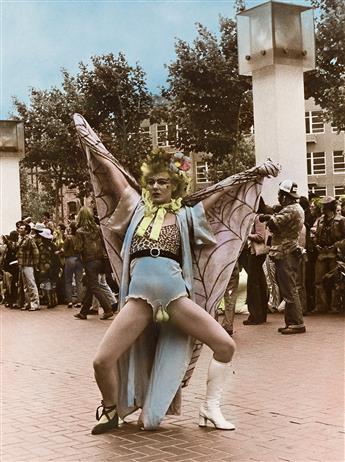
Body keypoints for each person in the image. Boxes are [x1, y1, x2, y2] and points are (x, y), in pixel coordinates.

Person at [91, 149, 237, 434]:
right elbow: (115, 175)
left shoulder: (186, 216)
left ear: (175, 186)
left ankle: (210, 407)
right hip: (139, 300)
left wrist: (250, 176)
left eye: (163, 182)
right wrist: (95, 148)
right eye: (152, 182)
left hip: (174, 299)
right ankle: (110, 410)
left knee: (225, 346)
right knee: (101, 361)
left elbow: (219, 195)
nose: (156, 187)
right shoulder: (135, 209)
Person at [259, 179, 306, 334]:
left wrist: (267, 217)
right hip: (288, 252)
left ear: (286, 196)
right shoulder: (295, 208)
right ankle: (291, 321)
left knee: (289, 289)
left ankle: (296, 323)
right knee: (289, 288)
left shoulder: (291, 210)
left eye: (280, 194)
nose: (279, 197)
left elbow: (274, 223)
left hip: (286, 252)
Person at [73, 207, 115, 320]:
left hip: (89, 261)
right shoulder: (97, 228)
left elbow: (78, 248)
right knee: (90, 284)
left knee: (94, 286)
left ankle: (108, 309)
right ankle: (83, 312)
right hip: (100, 260)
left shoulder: (79, 231)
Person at [313, 196, 345, 313]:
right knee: (318, 281)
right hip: (322, 253)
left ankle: (335, 306)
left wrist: (336, 245)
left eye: (324, 206)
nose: (322, 208)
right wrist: (316, 243)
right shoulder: (320, 220)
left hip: (334, 253)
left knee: (337, 281)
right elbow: (316, 235)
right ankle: (321, 306)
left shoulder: (341, 220)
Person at [17, 223, 40, 311]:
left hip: (28, 264)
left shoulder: (29, 239)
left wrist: (35, 264)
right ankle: (28, 303)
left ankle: (35, 303)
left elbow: (36, 252)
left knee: (31, 284)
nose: (20, 229)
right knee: (26, 286)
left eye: (22, 228)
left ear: (26, 230)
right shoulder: (22, 239)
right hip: (22, 264)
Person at [63, 221, 83, 308]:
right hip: (79, 259)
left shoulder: (68, 238)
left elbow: (63, 249)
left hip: (69, 259)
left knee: (68, 281)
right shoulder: (80, 238)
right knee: (79, 281)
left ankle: (70, 301)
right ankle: (80, 301)